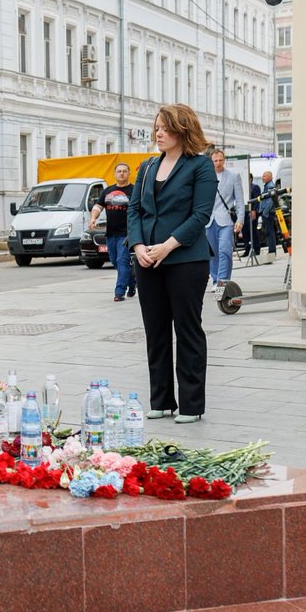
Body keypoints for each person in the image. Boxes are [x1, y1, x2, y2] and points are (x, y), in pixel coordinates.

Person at [127, 104, 218, 425]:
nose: (159, 133)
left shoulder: (201, 166)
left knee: (188, 330)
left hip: (184, 260)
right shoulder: (148, 167)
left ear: (182, 130)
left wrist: (166, 247)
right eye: (156, 128)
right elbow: (134, 210)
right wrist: (138, 246)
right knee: (156, 331)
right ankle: (161, 399)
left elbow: (200, 216)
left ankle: (191, 405)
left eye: (165, 128)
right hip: (147, 260)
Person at [88, 162, 136, 302]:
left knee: (122, 261)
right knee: (115, 261)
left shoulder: (134, 191)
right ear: (115, 174)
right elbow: (98, 206)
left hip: (127, 234)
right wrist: (93, 219)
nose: (122, 173)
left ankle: (119, 292)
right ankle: (132, 280)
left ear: (129, 173)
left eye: (124, 171)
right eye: (119, 171)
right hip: (111, 233)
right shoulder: (108, 191)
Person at [204, 149, 244, 291]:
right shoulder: (205, 177)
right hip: (209, 221)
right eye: (215, 161)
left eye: (220, 160)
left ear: (224, 160)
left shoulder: (233, 177)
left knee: (225, 250)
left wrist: (240, 219)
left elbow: (239, 201)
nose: (218, 163)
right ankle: (216, 280)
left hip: (226, 220)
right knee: (212, 253)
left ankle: (223, 281)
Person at [257, 170, 279, 262]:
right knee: (269, 232)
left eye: (264, 176)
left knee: (270, 232)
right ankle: (271, 250)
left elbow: (270, 201)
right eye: (262, 176)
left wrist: (264, 212)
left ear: (270, 177)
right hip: (266, 213)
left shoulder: (270, 186)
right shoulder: (267, 186)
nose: (263, 177)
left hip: (268, 213)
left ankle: (272, 251)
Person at [240, 174, 261, 258]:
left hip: (251, 212)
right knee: (245, 232)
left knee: (253, 231)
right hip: (244, 212)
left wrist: (254, 210)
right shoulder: (242, 188)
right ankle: (247, 249)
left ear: (251, 179)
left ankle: (256, 249)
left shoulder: (255, 187)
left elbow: (257, 200)